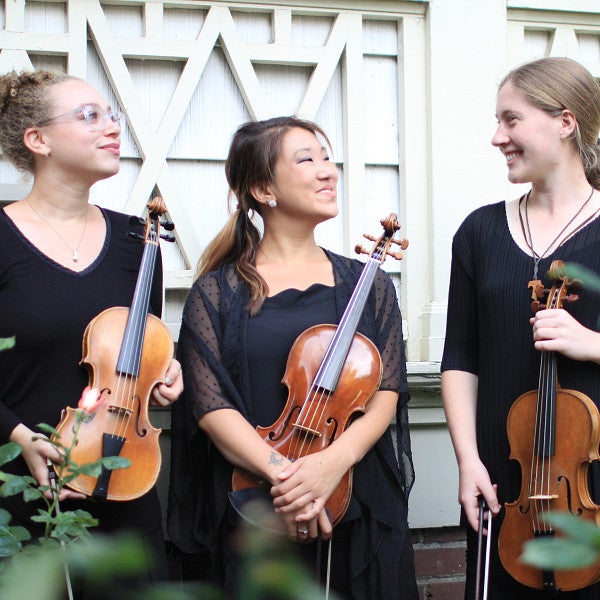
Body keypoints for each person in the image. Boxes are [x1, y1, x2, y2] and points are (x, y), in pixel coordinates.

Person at [168, 116, 417, 599]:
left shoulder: (367, 285)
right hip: (257, 502)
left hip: (354, 498)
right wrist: (292, 481)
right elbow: (210, 407)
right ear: (264, 188)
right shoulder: (216, 293)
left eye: (326, 157)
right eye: (307, 159)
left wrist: (330, 466)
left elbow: (387, 392)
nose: (328, 170)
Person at [0, 69, 183, 594]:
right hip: (20, 487)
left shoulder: (137, 240)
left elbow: (138, 359)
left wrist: (161, 379)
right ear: (38, 140)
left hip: (122, 484)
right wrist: (19, 438)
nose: (112, 128)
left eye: (112, 116)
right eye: (89, 116)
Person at [441, 56, 600, 599]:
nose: (496, 137)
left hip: (591, 486)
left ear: (565, 121)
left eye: (511, 120)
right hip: (504, 485)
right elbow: (460, 358)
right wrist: (467, 463)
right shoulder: (479, 232)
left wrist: (592, 344)